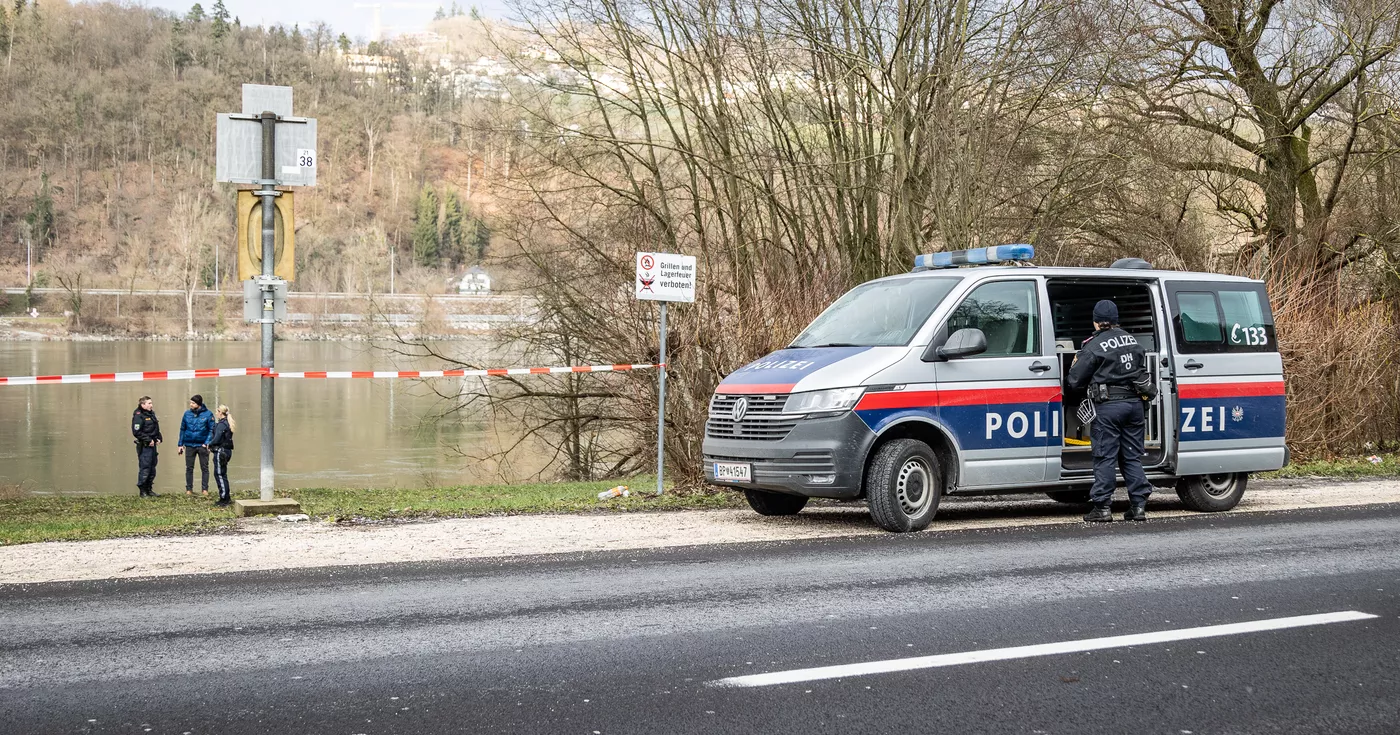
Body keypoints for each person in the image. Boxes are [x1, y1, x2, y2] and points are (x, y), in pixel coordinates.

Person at [1067, 299, 1157, 523]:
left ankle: (1102, 507)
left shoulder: (1094, 345)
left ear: (1096, 322)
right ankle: (1138, 507)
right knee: (1131, 457)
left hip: (1108, 407)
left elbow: (1075, 380)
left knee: (1105, 457)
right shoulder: (1132, 341)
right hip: (1135, 405)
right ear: (1116, 320)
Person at [177, 394, 215, 497]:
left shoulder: (208, 414)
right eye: (190, 402)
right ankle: (189, 489)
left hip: (202, 445)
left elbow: (212, 430)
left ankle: (205, 489)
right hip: (189, 444)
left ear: (198, 404)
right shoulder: (187, 414)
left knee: (204, 468)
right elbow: (182, 429)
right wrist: (180, 444)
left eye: (193, 403)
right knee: (189, 468)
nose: (191, 404)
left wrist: (207, 443)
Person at [131, 396, 162, 497]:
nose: (151, 405)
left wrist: (159, 438)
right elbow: (136, 432)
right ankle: (143, 490)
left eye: (151, 403)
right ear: (142, 405)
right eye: (149, 403)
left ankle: (149, 489)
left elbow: (155, 428)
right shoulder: (138, 415)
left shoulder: (151, 413)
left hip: (152, 446)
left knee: (152, 467)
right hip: (144, 446)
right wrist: (148, 440)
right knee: (145, 468)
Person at [209, 405, 236, 507]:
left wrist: (209, 444)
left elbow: (217, 438)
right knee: (223, 474)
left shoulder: (221, 425)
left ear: (220, 412)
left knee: (219, 474)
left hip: (221, 451)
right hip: (226, 451)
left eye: (217, 411)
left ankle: (224, 498)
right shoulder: (227, 423)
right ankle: (226, 497)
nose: (216, 413)